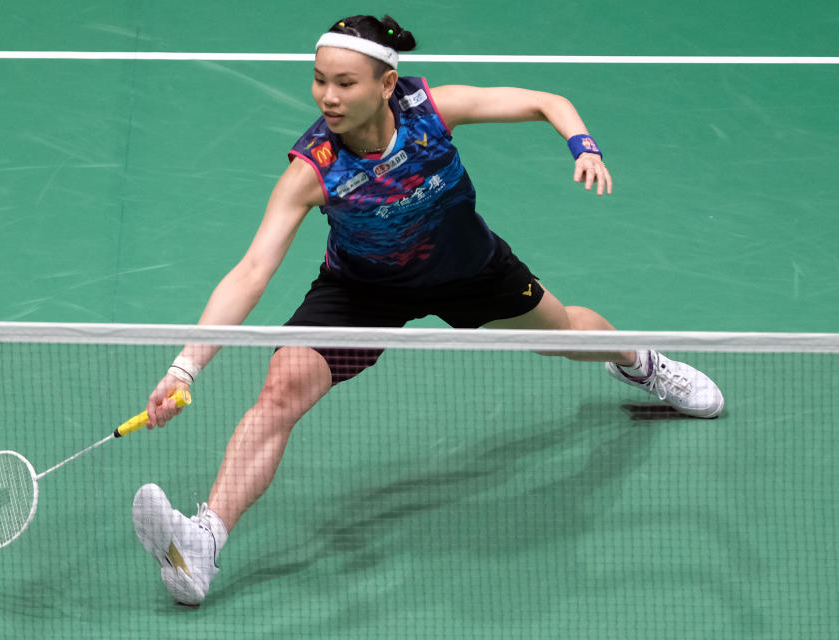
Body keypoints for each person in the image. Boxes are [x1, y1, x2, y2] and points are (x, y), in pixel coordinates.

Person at [131, 15, 725, 605]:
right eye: (319, 81)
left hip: (468, 270)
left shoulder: (430, 111)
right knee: (282, 386)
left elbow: (548, 101)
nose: (328, 98)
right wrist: (186, 367)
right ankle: (203, 541)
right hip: (366, 289)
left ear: (387, 85)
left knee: (568, 330)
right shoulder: (313, 169)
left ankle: (640, 362)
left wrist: (583, 145)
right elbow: (252, 271)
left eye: (345, 83)